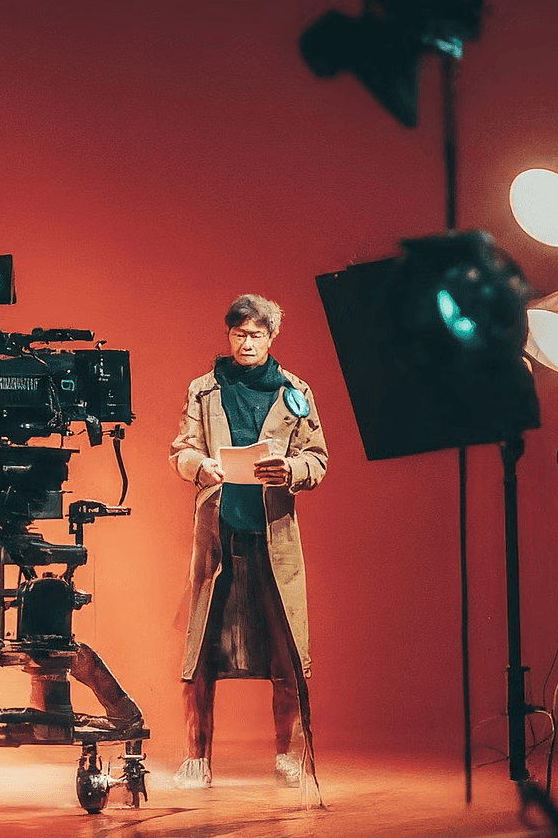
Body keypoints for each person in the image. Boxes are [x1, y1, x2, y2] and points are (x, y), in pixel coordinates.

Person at [169, 293, 328, 791]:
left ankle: (288, 754)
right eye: (239, 334)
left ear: (271, 337)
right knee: (200, 651)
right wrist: (200, 466)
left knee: (286, 652)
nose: (247, 343)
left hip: (272, 539)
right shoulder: (204, 389)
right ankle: (197, 757)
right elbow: (181, 449)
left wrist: (291, 470)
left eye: (256, 335)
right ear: (229, 336)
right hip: (218, 538)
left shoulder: (294, 390)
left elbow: (318, 458)